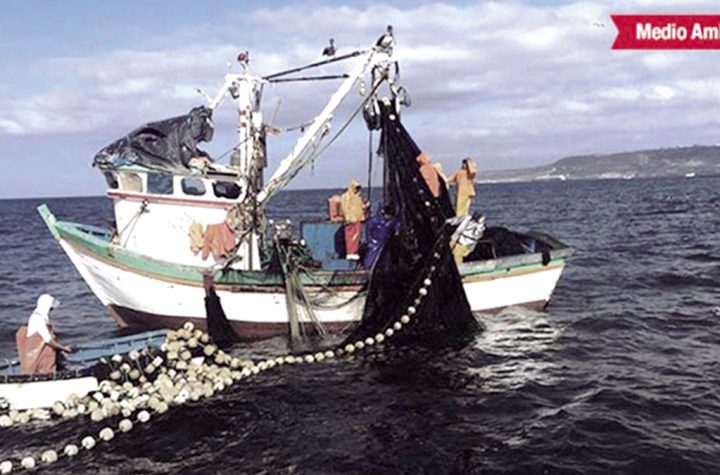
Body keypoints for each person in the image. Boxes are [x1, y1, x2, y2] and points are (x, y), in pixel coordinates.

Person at [15, 294, 73, 374]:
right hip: (37, 357)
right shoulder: (37, 319)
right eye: (51, 307)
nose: (52, 309)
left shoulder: (43, 317)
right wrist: (63, 348)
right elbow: (48, 340)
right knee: (42, 371)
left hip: (45, 355)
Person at [340, 179, 368, 260]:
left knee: (357, 236)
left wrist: (365, 206)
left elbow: (360, 207)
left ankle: (354, 251)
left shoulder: (358, 197)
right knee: (350, 237)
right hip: (351, 220)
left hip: (358, 219)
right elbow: (344, 208)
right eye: (356, 187)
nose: (357, 190)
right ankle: (350, 252)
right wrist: (347, 217)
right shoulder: (346, 196)